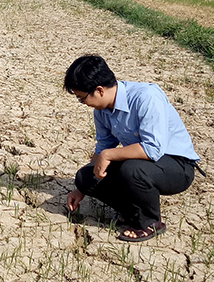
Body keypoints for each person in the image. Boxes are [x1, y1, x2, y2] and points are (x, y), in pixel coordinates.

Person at [64, 54, 201, 242]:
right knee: (85, 176)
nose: (83, 104)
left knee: (132, 170)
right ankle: (132, 212)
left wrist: (109, 154)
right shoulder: (102, 111)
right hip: (144, 162)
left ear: (99, 90)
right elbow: (103, 147)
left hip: (177, 166)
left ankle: (150, 223)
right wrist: (81, 188)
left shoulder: (146, 97)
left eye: (82, 98)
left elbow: (152, 149)